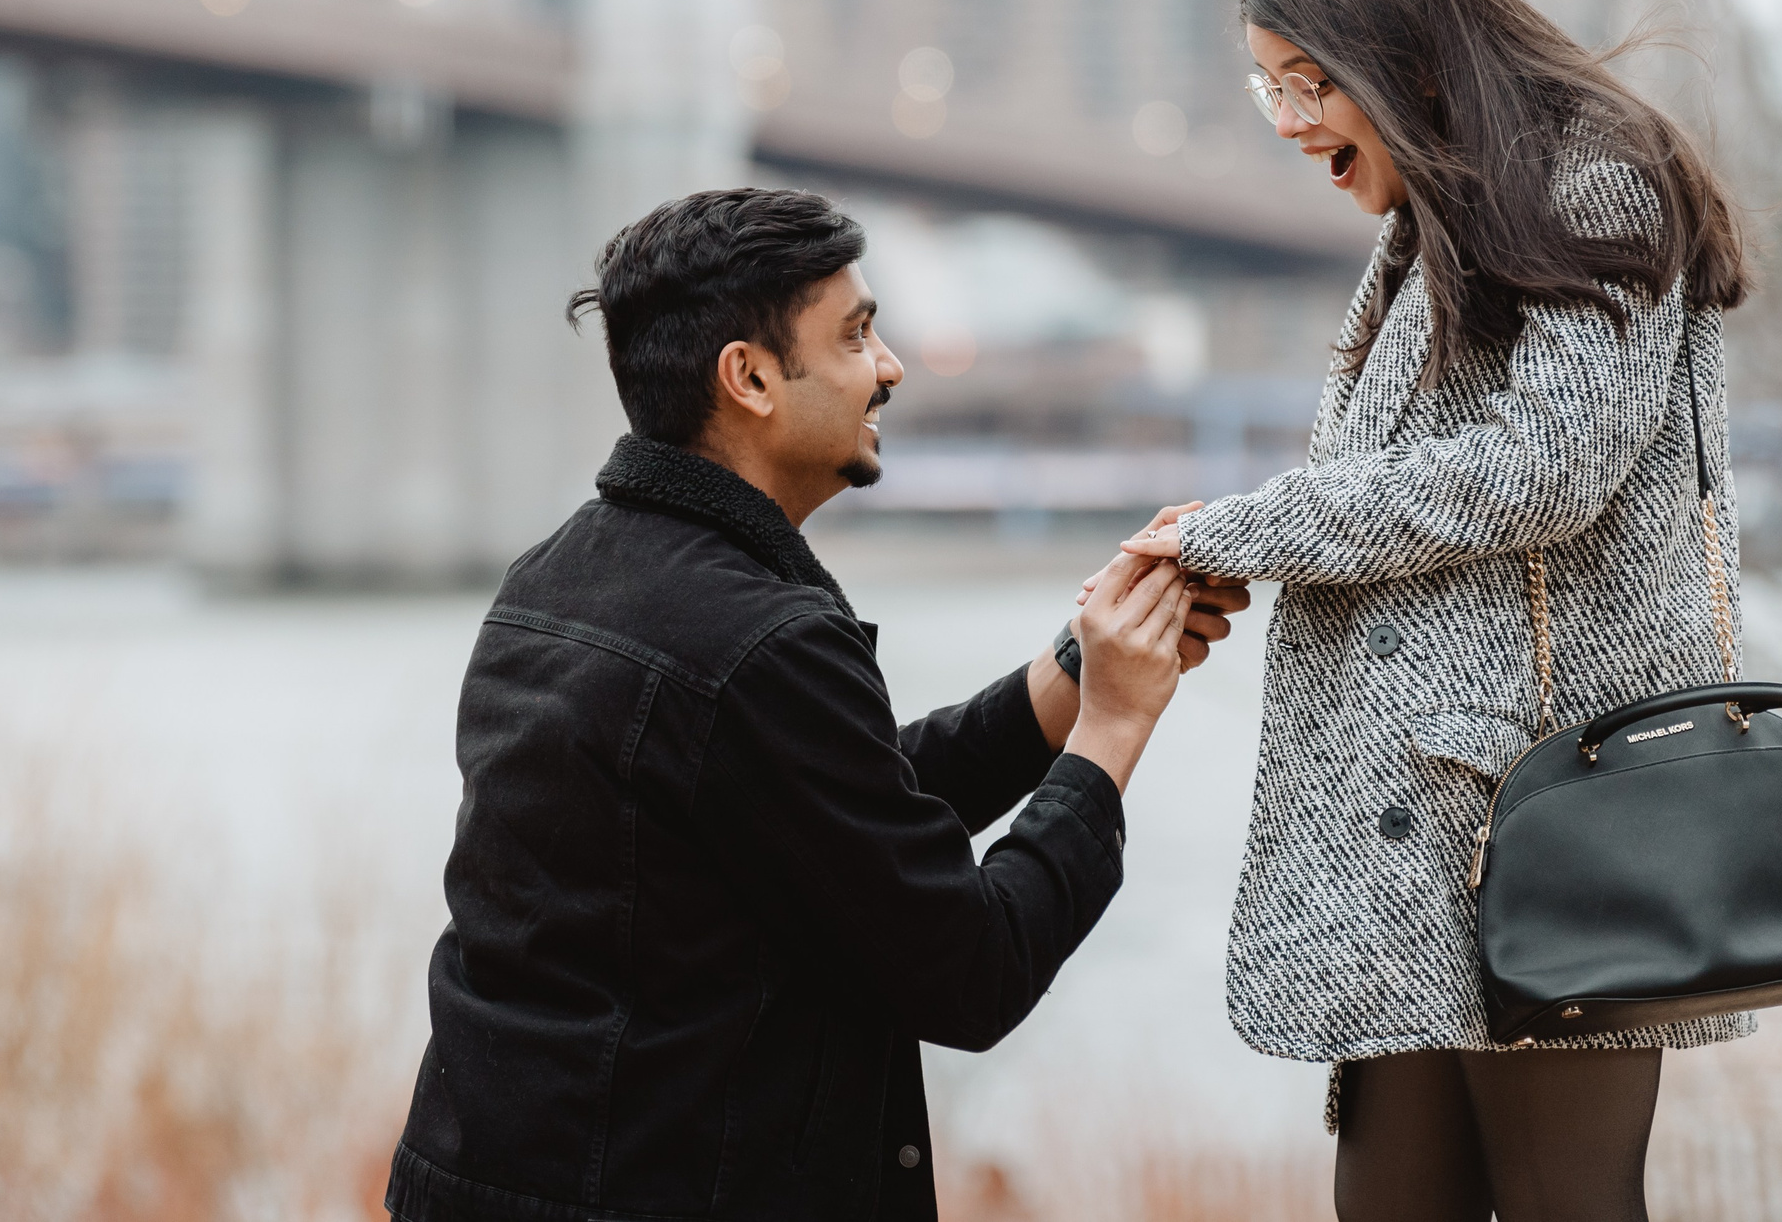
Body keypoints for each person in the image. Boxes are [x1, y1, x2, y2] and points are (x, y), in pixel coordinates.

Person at [384, 187, 1246, 1222]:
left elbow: (833, 806)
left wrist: (1072, 669)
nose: (888, 366)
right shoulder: (759, 640)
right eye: (856, 335)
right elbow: (970, 969)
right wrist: (1114, 726)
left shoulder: (556, 577)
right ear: (748, 377)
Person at [1114, 0, 1755, 1222]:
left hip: (1548, 816)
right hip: (1420, 835)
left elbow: (1546, 469)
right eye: (1267, 86)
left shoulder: (1596, 176)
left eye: (1310, 82)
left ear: (1406, 57)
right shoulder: (1432, 227)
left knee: (1566, 1200)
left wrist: (1249, 527)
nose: (1290, 121)